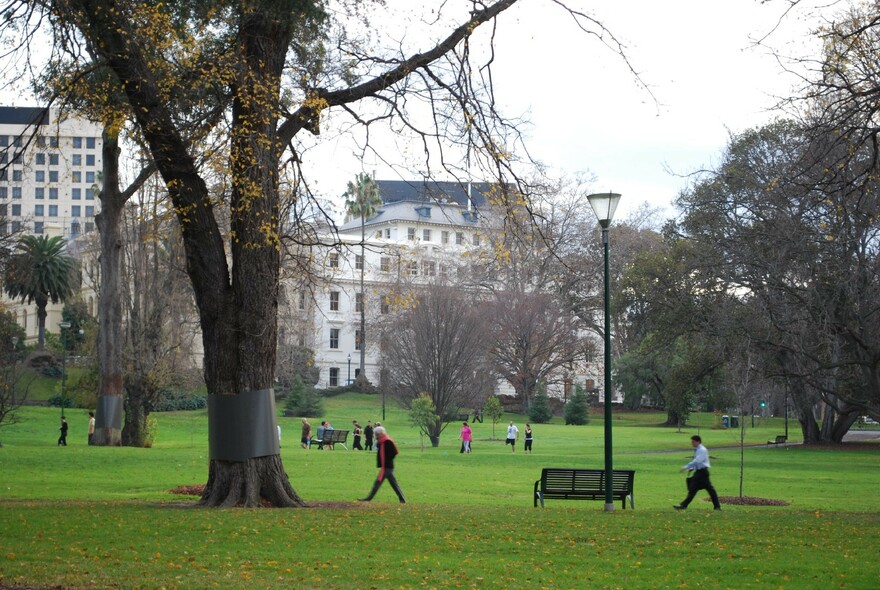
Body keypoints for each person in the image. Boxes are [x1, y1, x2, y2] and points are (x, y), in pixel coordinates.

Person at [358, 426, 406, 503]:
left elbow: (394, 452)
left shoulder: (387, 441)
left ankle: (368, 499)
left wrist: (388, 459)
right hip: (387, 466)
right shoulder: (382, 441)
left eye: (377, 434)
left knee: (377, 483)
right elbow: (379, 447)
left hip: (387, 467)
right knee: (394, 484)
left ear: (381, 433)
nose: (376, 436)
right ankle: (402, 499)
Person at [674, 435, 721, 511]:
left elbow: (697, 461)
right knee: (697, 489)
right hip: (700, 472)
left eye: (693, 441)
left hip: (702, 473)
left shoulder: (702, 450)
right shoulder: (698, 449)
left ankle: (683, 505)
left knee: (704, 489)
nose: (691, 443)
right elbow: (698, 463)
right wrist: (692, 468)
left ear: (698, 441)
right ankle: (684, 505)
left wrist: (686, 467)